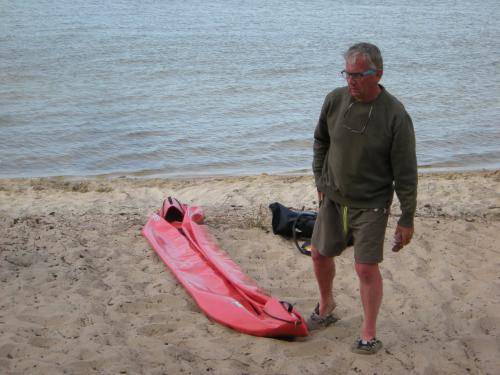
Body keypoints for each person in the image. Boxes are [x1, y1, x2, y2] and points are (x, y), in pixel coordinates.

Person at [308, 42, 417, 354]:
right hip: (333, 197)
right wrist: (320, 178)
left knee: (365, 269)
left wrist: (406, 218)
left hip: (372, 203)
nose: (351, 81)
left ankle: (368, 333)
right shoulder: (334, 100)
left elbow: (406, 172)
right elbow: (320, 141)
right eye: (347, 74)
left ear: (377, 74)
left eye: (358, 75)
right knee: (319, 254)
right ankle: (326, 306)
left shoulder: (395, 115)